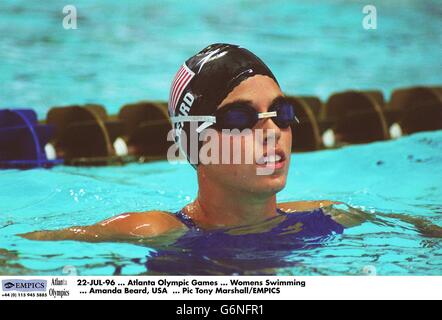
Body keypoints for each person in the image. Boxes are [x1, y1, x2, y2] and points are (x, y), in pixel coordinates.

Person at [21, 43, 435, 243]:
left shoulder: (331, 218)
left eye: (282, 113)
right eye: (241, 118)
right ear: (193, 143)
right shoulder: (155, 231)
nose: (273, 132)